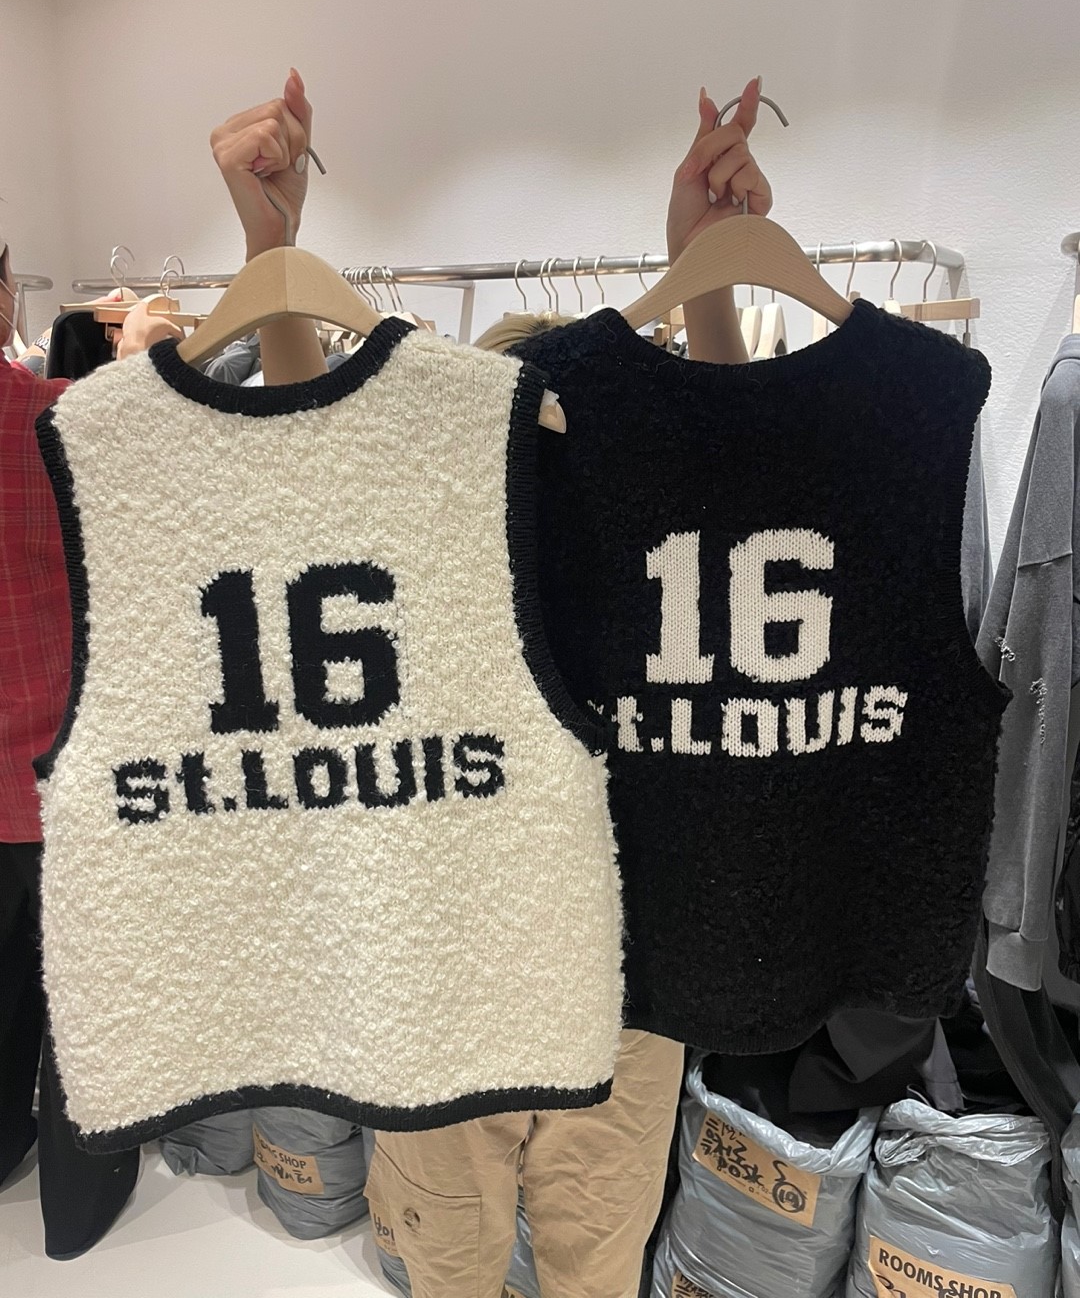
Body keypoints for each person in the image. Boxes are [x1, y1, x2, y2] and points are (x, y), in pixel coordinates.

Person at [209, 72, 771, 1298]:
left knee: (589, 1267)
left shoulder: (657, 556)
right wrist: (272, 249)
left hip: (624, 990)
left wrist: (711, 272)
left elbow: (733, 488)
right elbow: (307, 460)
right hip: (447, 986)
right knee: (453, 1265)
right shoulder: (416, 548)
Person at [0, 244, 155, 1257]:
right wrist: (136, 362)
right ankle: (78, 1208)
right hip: (60, 774)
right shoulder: (58, 421)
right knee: (87, 1003)